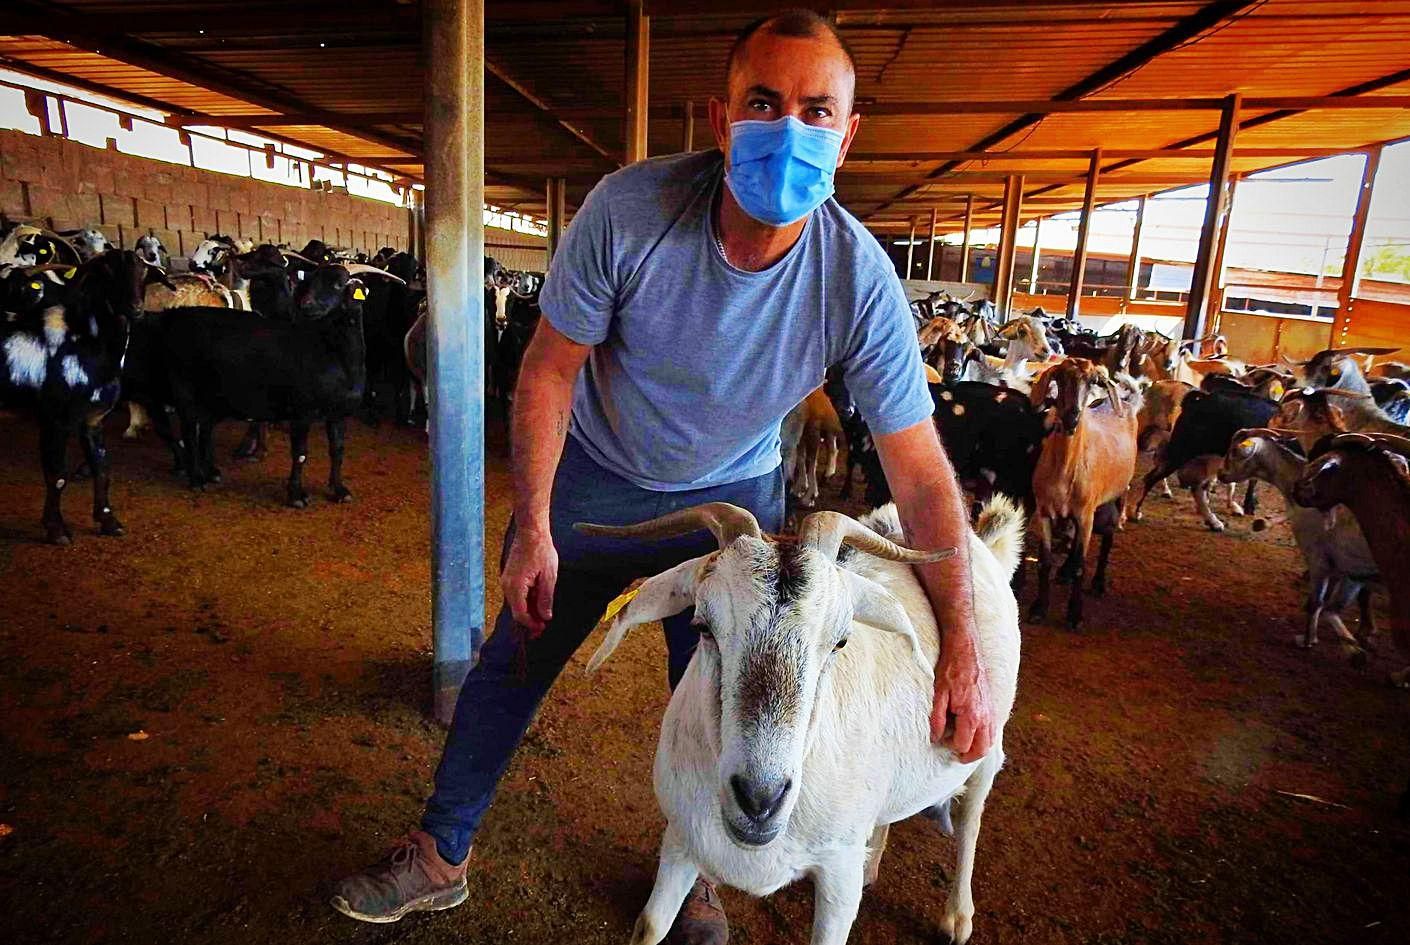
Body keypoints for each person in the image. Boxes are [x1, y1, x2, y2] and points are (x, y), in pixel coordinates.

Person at [332, 10, 993, 943]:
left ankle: (705, 873)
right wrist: (533, 522)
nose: (789, 130)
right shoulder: (631, 211)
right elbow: (550, 368)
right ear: (719, 120)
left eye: (816, 110)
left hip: (734, 511)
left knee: (732, 683)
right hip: (599, 483)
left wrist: (961, 638)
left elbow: (920, 469)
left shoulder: (857, 277)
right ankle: (441, 851)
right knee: (515, 656)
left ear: (847, 135)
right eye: (764, 103)